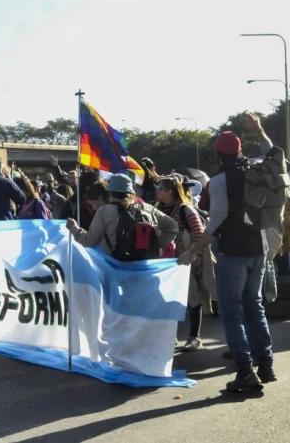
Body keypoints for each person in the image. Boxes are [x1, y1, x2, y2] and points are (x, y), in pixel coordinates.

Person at [187, 129, 276, 392]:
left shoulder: (219, 181)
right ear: (239, 150)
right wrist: (259, 130)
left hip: (233, 252)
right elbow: (272, 154)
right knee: (255, 306)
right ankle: (266, 364)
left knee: (231, 311)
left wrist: (194, 248)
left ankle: (245, 371)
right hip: (258, 249)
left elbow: (216, 221)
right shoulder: (255, 170)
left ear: (217, 154)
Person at [155, 175, 214, 352]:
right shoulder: (157, 208)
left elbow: (199, 232)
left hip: (184, 259)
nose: (157, 191)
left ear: (170, 192)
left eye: (161, 188)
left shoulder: (185, 209)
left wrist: (193, 254)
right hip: (165, 261)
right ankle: (170, 336)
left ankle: (194, 337)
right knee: (167, 298)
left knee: (192, 297)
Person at [66, 174, 178, 258]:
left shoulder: (104, 211)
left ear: (109, 192)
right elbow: (173, 227)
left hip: (116, 266)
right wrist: (156, 245)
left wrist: (74, 228)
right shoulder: (147, 207)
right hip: (144, 266)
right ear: (131, 192)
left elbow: (89, 241)